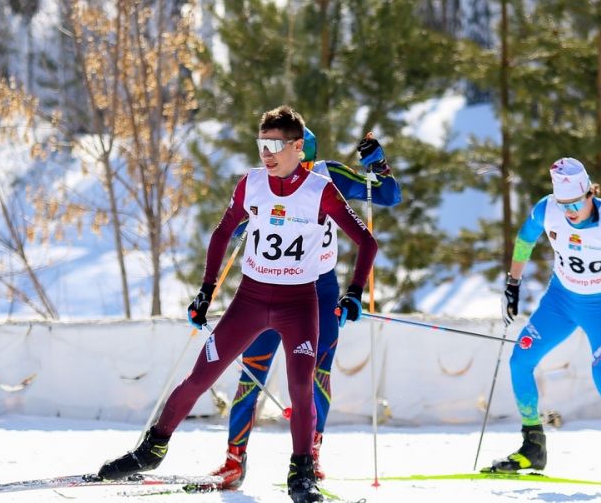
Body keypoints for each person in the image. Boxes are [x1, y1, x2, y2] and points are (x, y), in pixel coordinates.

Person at [97, 106, 377, 503]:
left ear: (298, 147)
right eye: (261, 144)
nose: (267, 153)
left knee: (301, 388)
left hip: (300, 304)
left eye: (276, 145)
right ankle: (152, 450)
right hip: (249, 300)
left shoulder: (320, 190)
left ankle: (301, 475)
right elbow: (222, 232)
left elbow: (367, 242)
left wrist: (353, 292)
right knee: (200, 377)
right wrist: (206, 291)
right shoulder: (252, 184)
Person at [208, 127, 401, 489]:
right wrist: (242, 225)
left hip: (320, 289)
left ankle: (309, 457)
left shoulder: (329, 177)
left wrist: (379, 163)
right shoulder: (267, 179)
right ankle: (235, 459)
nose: (300, 173)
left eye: (307, 163)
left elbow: (389, 196)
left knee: (317, 374)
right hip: (271, 285)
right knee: (252, 371)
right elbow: (238, 220)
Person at [491, 157, 601, 491]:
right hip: (560, 302)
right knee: (519, 360)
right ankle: (533, 446)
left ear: (589, 194)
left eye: (574, 204)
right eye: (562, 204)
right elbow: (525, 240)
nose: (568, 212)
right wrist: (513, 284)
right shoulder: (547, 209)